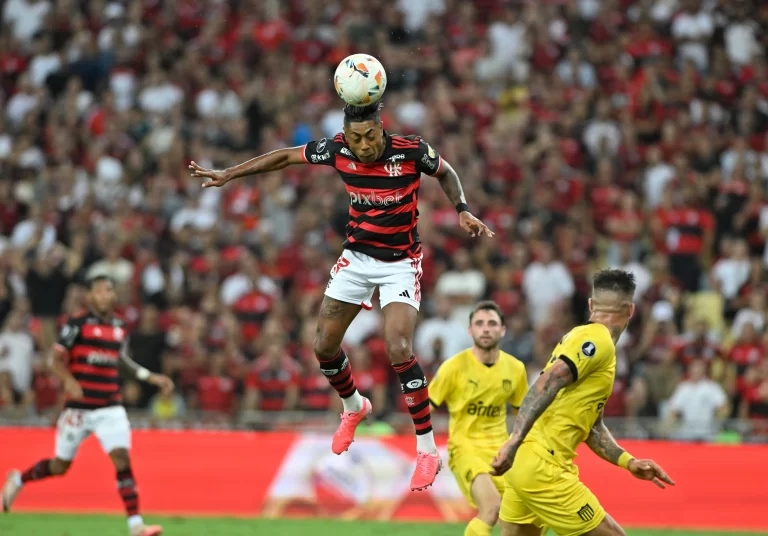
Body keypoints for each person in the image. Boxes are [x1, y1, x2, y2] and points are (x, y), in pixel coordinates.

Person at [189, 101, 494, 490]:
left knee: (398, 347)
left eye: (369, 136)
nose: (363, 145)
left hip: (401, 261)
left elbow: (446, 172)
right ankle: (353, 406)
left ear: (381, 129)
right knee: (323, 347)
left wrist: (462, 209)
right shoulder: (338, 151)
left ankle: (427, 450)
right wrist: (229, 173)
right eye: (355, 138)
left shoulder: (411, 150)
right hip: (357, 258)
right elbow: (284, 157)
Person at [490, 269, 675, 536]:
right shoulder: (597, 340)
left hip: (525, 465)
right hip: (544, 468)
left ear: (591, 305)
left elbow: (593, 427)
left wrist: (627, 461)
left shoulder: (583, 341)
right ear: (631, 310)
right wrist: (513, 441)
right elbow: (545, 384)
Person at [2, 276, 174, 536]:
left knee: (121, 457)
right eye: (100, 291)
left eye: (109, 291)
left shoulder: (119, 326)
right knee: (60, 466)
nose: (105, 295)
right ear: (91, 296)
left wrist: (150, 377)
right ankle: (18, 479)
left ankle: (136, 525)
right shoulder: (77, 324)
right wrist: (69, 381)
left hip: (109, 407)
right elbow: (54, 360)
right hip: (79, 409)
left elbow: (121, 362)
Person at [429, 301, 528, 536]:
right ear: (470, 330)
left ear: (502, 330)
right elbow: (424, 408)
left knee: (522, 519)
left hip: (500, 453)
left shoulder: (516, 369)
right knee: (491, 507)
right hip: (465, 449)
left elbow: (524, 416)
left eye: (492, 323)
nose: (486, 329)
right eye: (479, 324)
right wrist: (424, 446)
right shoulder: (453, 367)